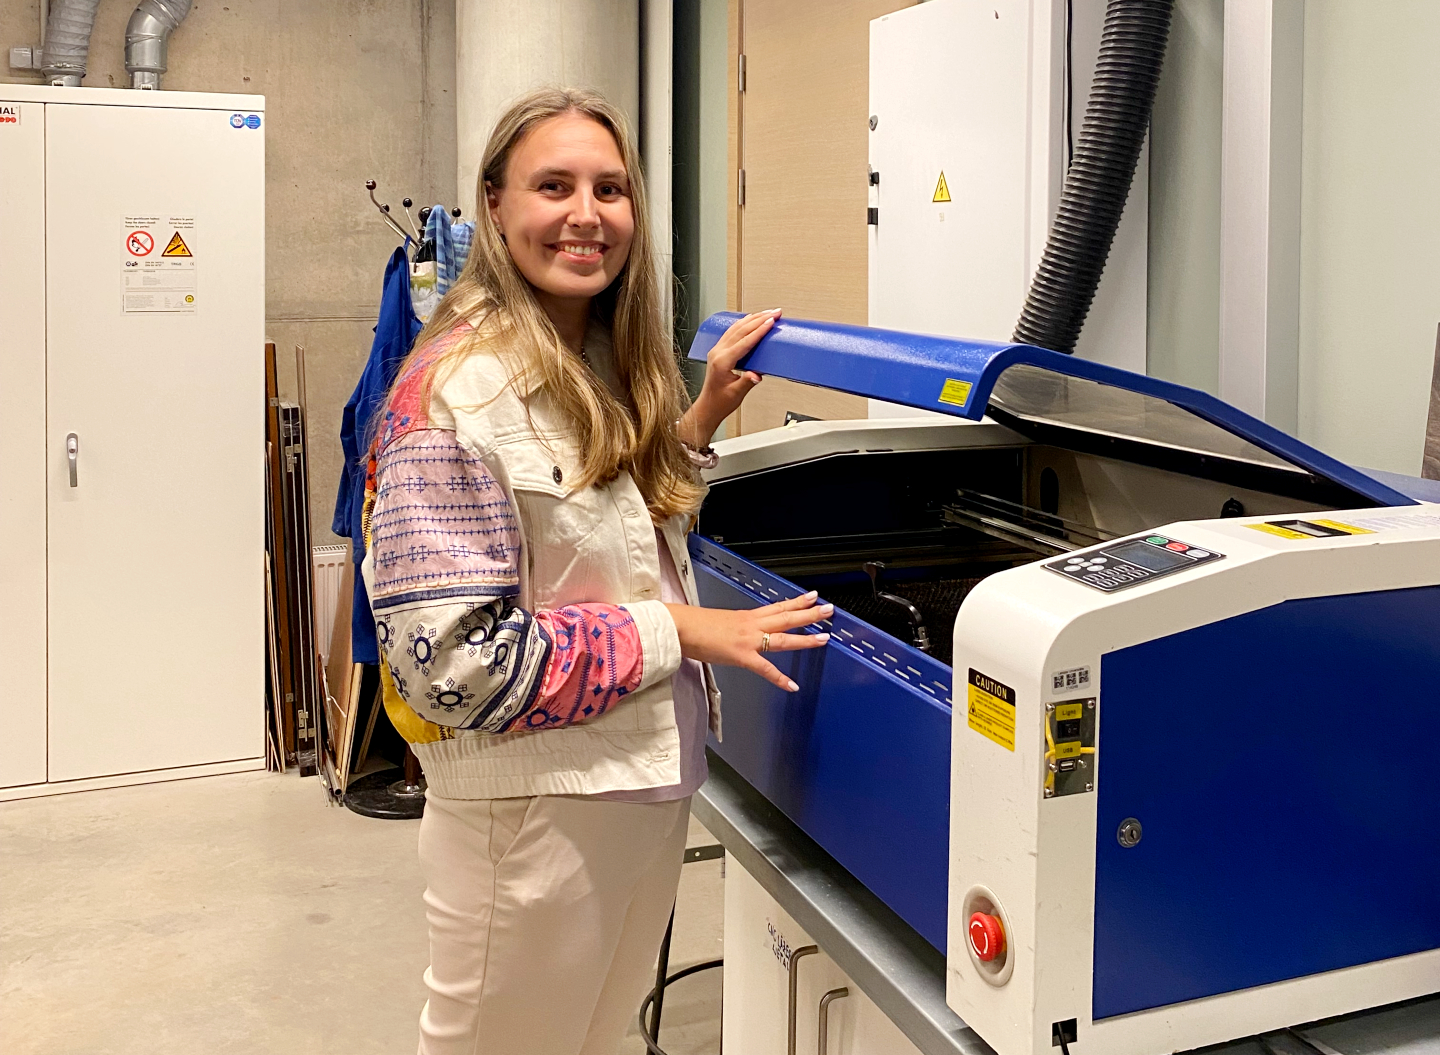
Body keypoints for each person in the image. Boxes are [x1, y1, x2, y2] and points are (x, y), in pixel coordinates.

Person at [359, 86, 831, 1055]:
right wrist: (682, 629)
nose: (587, 214)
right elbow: (451, 667)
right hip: (533, 816)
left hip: (636, 787)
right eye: (555, 186)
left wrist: (699, 418)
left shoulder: (593, 358)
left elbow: (599, 526)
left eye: (610, 189)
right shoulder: (452, 397)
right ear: (495, 205)